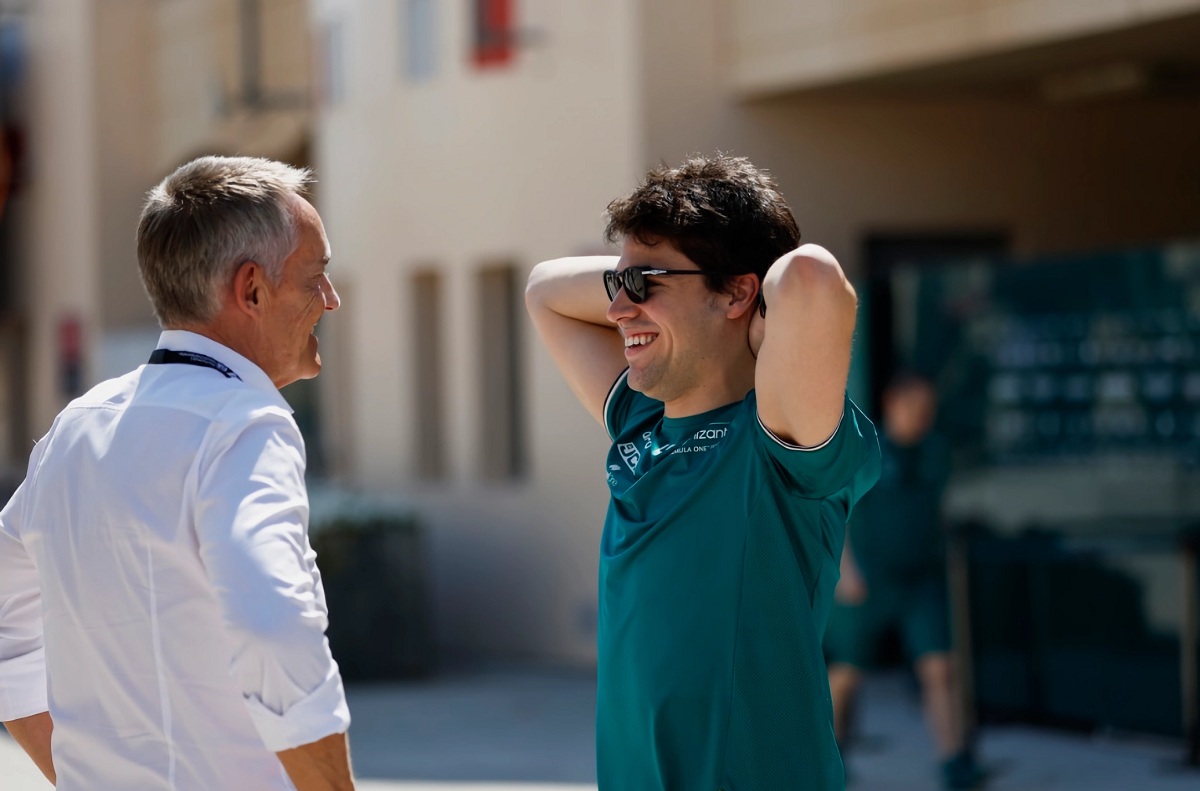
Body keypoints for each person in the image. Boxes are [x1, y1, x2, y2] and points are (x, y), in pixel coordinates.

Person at [525, 154, 880, 790]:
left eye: (645, 285)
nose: (617, 311)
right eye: (617, 286)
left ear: (741, 292)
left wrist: (739, 302)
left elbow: (810, 278)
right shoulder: (639, 420)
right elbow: (545, 289)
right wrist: (655, 280)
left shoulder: (778, 440)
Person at [0, 156, 355, 790]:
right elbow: (271, 625)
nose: (330, 299)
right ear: (251, 290)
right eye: (317, 276)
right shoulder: (246, 424)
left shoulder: (76, 428)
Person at [824, 373, 984, 789]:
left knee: (940, 669)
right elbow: (834, 510)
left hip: (922, 581)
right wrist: (845, 569)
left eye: (927, 410)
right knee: (846, 673)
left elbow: (942, 509)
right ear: (894, 403)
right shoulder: (865, 446)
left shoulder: (935, 451)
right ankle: (830, 756)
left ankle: (953, 760)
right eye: (914, 408)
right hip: (868, 580)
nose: (921, 418)